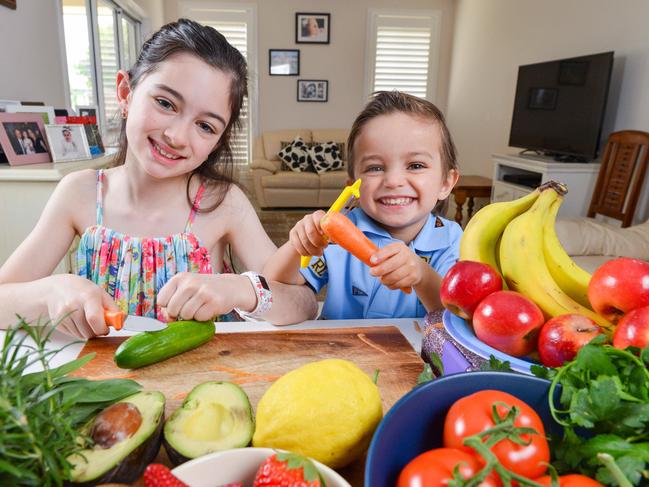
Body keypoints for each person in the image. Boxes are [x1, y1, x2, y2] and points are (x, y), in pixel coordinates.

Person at [0, 19, 314, 339]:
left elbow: (304, 303)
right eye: (165, 103)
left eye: (205, 126)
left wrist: (241, 289)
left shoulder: (224, 202)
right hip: (105, 380)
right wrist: (51, 291)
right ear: (125, 93)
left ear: (217, 142)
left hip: (203, 379)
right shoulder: (79, 193)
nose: (176, 136)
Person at [264, 91, 461, 322]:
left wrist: (422, 276)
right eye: (375, 168)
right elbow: (272, 284)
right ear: (353, 186)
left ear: (446, 183)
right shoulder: (338, 233)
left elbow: (456, 318)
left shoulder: (451, 239)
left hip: (416, 355)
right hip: (338, 351)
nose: (393, 181)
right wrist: (298, 245)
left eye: (416, 165)